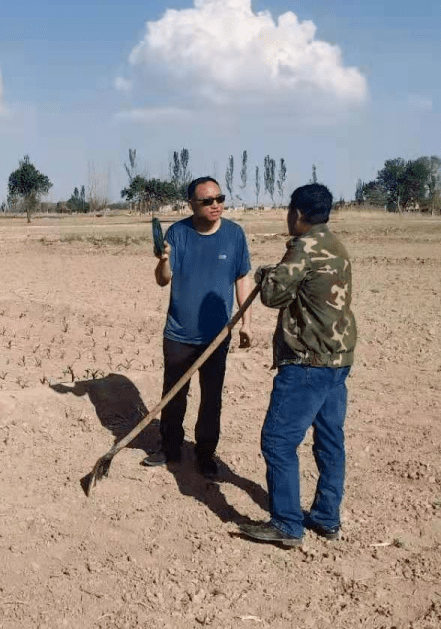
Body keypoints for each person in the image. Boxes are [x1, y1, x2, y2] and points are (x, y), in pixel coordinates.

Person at [236, 183, 357, 548]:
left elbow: (274, 296)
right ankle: (326, 517)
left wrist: (263, 275)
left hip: (308, 362)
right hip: (338, 359)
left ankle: (287, 524)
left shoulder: (303, 248)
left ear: (298, 214)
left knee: (277, 442)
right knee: (330, 440)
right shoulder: (335, 245)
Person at [141, 176, 253, 479]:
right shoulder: (178, 233)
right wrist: (164, 260)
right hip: (178, 333)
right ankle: (170, 449)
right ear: (192, 204)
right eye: (207, 201)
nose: (216, 205)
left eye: (220, 199)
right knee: (174, 394)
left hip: (216, 336)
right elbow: (163, 279)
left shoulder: (234, 235)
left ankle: (205, 454)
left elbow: (242, 278)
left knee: (211, 397)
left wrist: (246, 321)